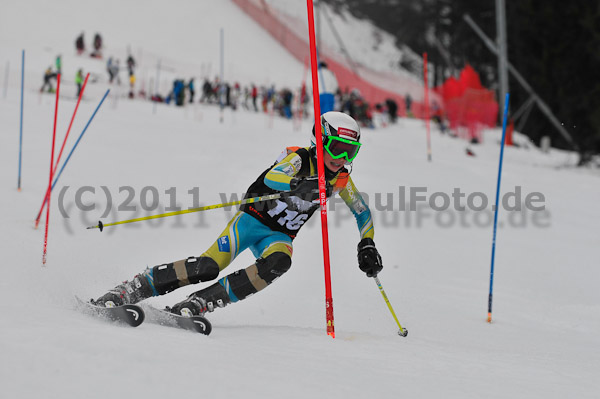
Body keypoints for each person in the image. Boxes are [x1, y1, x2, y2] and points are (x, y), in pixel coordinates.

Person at [92, 112, 383, 318]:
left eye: (351, 152)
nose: (342, 159)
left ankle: (202, 303)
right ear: (320, 141)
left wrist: (366, 243)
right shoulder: (299, 158)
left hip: (280, 235)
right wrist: (300, 184)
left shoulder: (340, 179)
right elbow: (274, 177)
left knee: (280, 261)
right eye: (337, 148)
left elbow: (361, 211)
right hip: (252, 220)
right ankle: (135, 288)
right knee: (208, 267)